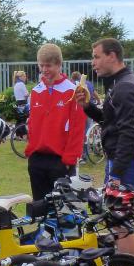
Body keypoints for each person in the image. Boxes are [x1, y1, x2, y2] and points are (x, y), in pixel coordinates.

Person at [76, 38, 134, 256]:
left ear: (112, 56)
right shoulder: (117, 83)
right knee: (116, 219)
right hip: (118, 160)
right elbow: (109, 121)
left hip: (126, 162)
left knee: (121, 222)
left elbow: (129, 133)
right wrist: (87, 106)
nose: (93, 63)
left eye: (96, 57)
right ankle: (123, 265)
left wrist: (116, 174)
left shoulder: (125, 86)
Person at [25, 44, 85, 202]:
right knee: (40, 206)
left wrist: (69, 159)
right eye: (41, 65)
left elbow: (77, 128)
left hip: (60, 161)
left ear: (59, 65)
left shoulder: (73, 91)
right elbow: (32, 125)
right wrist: (30, 151)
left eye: (48, 65)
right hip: (37, 159)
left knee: (63, 208)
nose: (44, 70)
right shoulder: (36, 91)